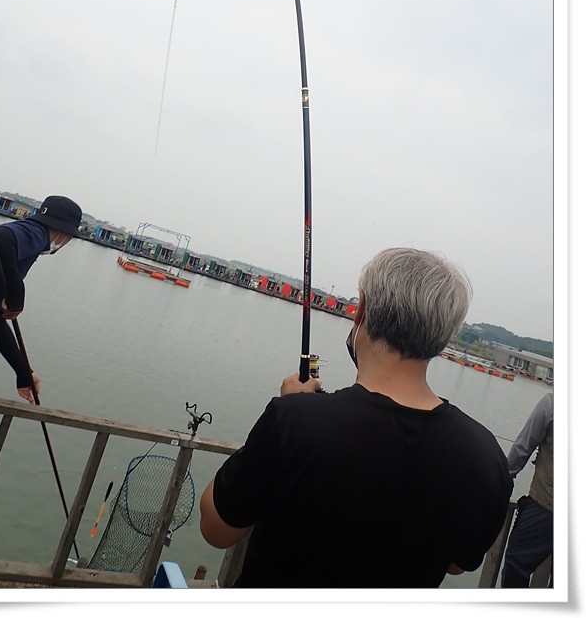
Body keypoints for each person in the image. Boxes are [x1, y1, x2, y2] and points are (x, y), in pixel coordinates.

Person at [199, 247, 513, 588]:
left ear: (361, 310)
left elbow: (216, 529)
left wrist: (286, 416)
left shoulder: (293, 422)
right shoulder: (486, 459)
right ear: (443, 337)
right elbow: (457, 564)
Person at [0, 195, 83, 404]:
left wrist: (23, 371)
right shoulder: (37, 233)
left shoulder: (22, 250)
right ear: (64, 233)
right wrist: (17, 291)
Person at [500, 392, 553, 588]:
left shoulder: (552, 403)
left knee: (516, 564)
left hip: (546, 507)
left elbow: (523, 447)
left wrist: (503, 480)